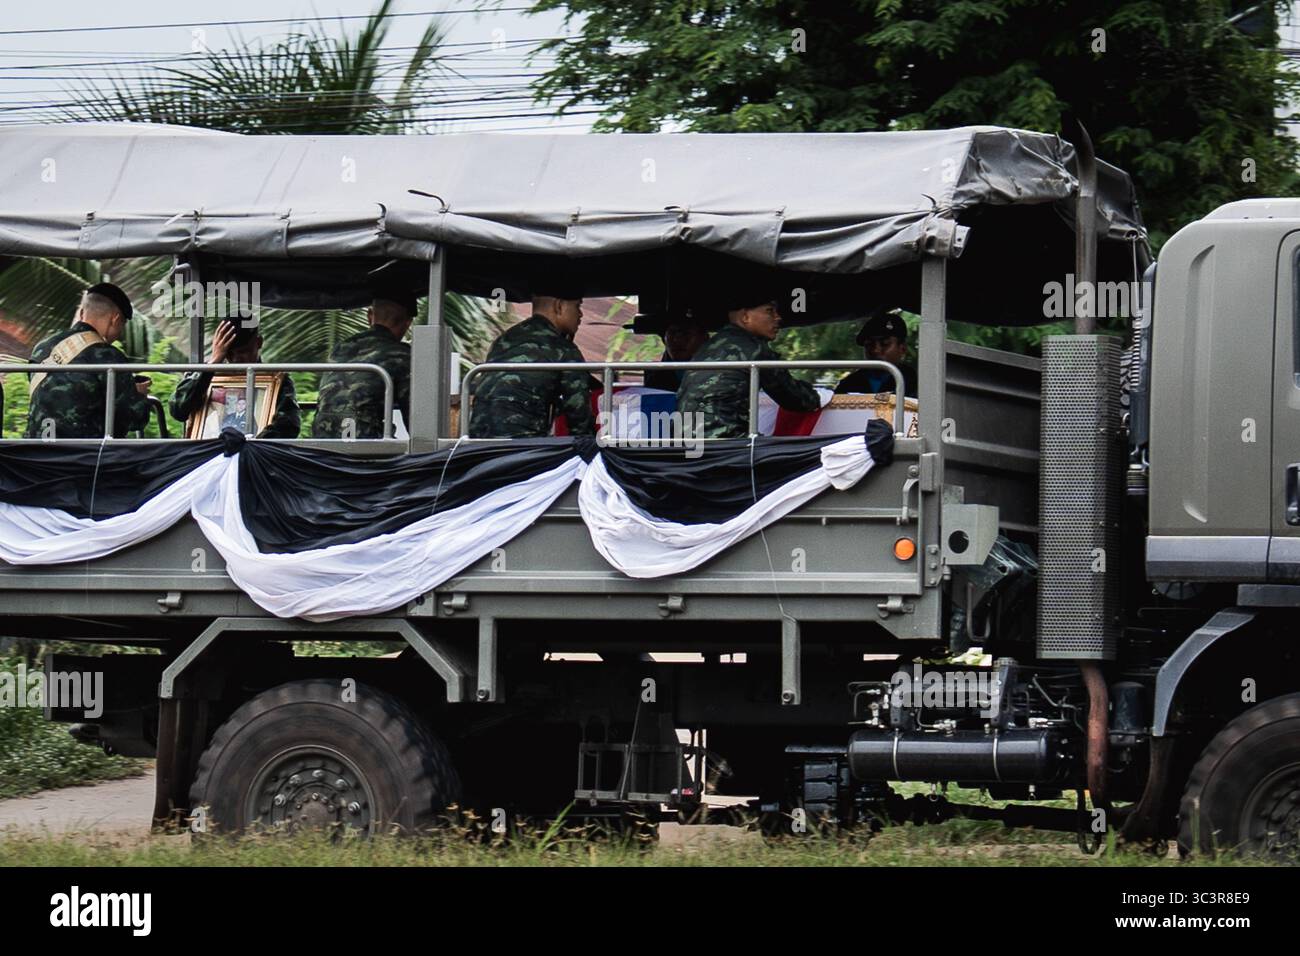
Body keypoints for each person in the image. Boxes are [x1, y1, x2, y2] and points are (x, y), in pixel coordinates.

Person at [676, 290, 821, 439]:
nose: (778, 317)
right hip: (726, 442)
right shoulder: (754, 350)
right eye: (770, 311)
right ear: (745, 317)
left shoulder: (709, 347)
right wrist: (818, 396)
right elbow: (796, 399)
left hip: (686, 440)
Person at [25, 283, 152, 439]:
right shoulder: (109, 357)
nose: (119, 333)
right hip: (85, 457)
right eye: (122, 325)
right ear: (115, 319)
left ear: (82, 312)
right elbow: (136, 419)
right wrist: (138, 395)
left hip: (34, 452)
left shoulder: (42, 348)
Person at [469, 287, 596, 438]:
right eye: (577, 306)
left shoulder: (504, 339)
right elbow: (578, 414)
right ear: (559, 306)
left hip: (478, 440)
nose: (580, 314)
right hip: (524, 444)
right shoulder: (563, 349)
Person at [311, 287, 416, 439]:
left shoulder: (340, 348)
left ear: (370, 316)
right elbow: (415, 419)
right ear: (408, 324)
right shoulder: (401, 354)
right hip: (363, 444)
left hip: (321, 439)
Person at [170, 318, 301, 438]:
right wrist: (214, 363)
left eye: (244, 352)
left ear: (259, 343)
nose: (236, 359)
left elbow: (288, 425)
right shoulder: (203, 374)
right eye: (229, 353)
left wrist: (251, 445)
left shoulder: (277, 380)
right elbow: (178, 410)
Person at [835, 310, 918, 397]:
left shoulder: (917, 382)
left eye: (884, 344)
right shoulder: (849, 383)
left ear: (902, 349)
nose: (876, 350)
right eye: (869, 344)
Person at [643, 319, 709, 392]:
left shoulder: (716, 370)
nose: (677, 340)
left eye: (686, 334)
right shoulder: (655, 376)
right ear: (664, 340)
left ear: (704, 338)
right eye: (672, 333)